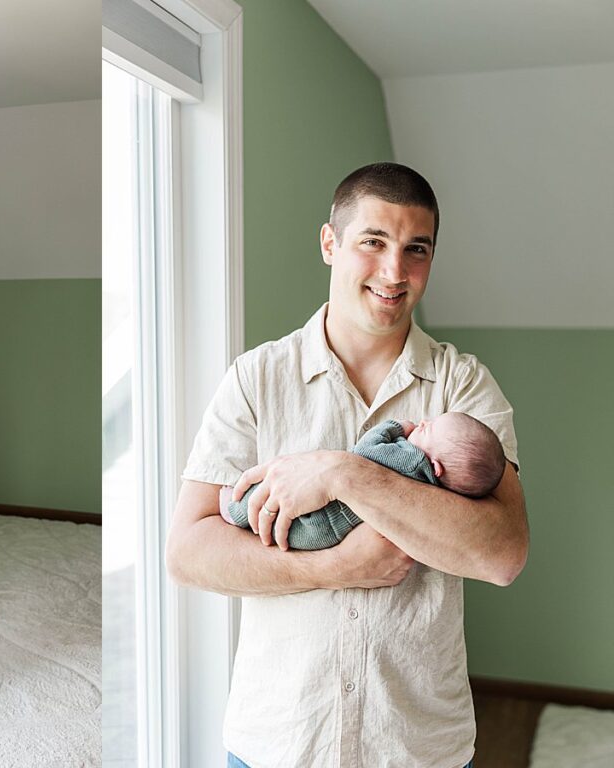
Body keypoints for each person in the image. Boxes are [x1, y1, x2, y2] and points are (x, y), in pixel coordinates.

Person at [165, 162, 528, 768]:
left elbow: (503, 553)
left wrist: (345, 474)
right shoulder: (257, 379)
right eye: (373, 242)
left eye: (417, 249)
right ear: (330, 243)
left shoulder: (463, 387)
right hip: (279, 741)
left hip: (418, 748)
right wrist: (335, 566)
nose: (394, 272)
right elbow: (188, 552)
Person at [221, 412, 506, 550]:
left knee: (263, 496)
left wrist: (392, 428)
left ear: (436, 466)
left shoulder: (409, 459)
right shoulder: (430, 489)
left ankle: (231, 509)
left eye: (427, 430)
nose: (420, 424)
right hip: (328, 535)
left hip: (319, 518)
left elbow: (362, 454)